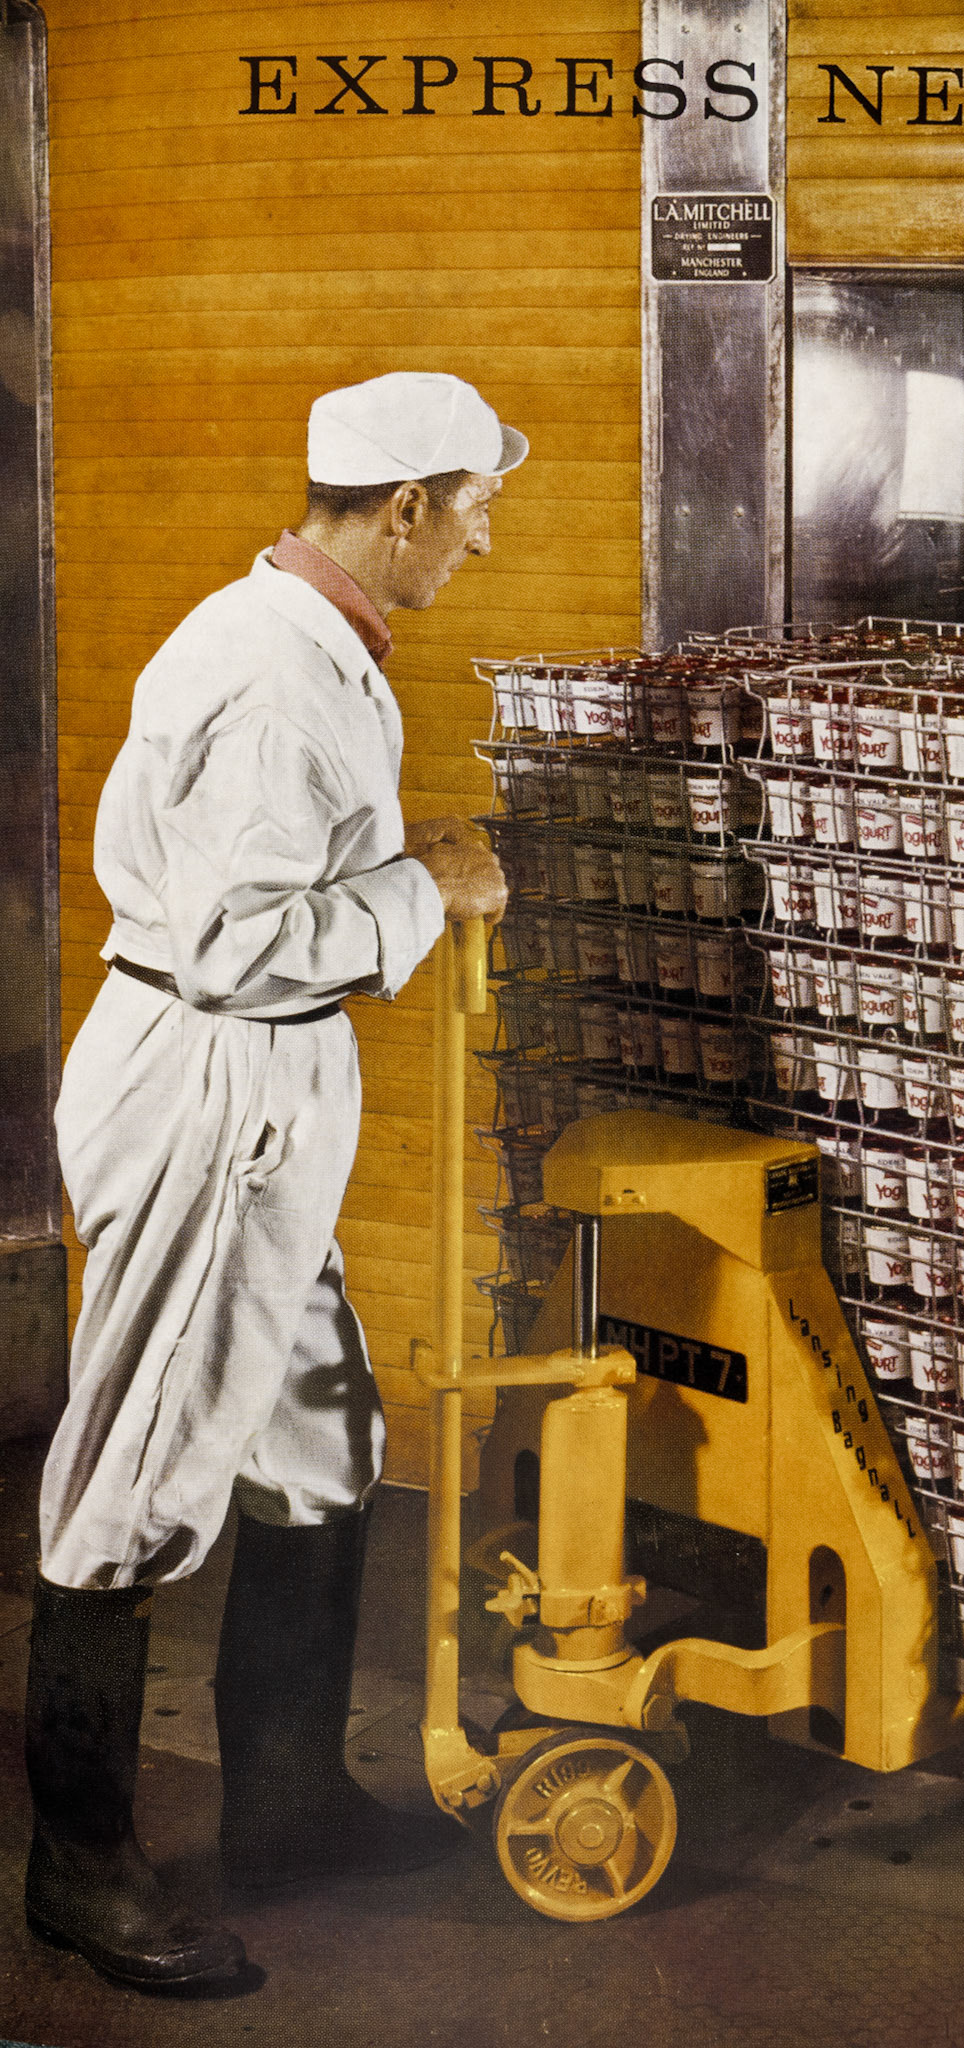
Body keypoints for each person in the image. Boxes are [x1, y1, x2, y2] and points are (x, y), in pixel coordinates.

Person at [24, 372, 517, 1990]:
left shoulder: (314, 648)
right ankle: (80, 1870)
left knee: (319, 1442)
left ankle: (293, 1801)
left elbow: (289, 885)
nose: (480, 539)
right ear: (401, 511)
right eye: (471, 507)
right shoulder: (268, 677)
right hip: (210, 1081)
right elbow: (239, 948)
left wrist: (401, 871)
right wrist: (421, 898)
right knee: (140, 1472)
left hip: (264, 1080)